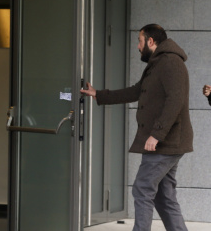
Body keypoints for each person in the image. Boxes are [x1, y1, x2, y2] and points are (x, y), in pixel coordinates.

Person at [80, 24, 193, 231]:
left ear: (151, 41)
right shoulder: (158, 63)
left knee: (142, 189)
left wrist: (156, 135)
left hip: (165, 142)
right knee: (163, 197)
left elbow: (175, 101)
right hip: (165, 142)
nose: (138, 46)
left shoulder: (170, 62)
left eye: (140, 41)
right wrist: (99, 94)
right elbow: (136, 91)